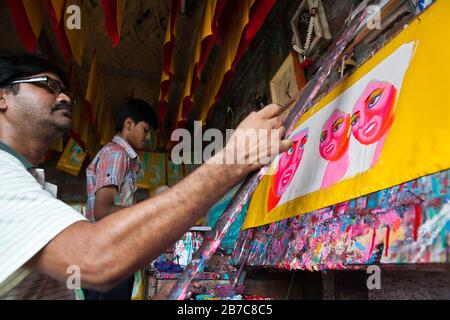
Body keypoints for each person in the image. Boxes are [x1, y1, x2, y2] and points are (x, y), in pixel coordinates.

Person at [0, 55, 292, 300]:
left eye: (65, 91)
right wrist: (231, 162)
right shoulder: (114, 154)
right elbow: (97, 242)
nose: (64, 97)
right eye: (49, 86)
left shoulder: (27, 176)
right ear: (3, 97)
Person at [83, 99, 158, 300]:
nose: (148, 137)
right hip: (109, 254)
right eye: (146, 130)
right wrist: (146, 210)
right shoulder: (117, 154)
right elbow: (102, 209)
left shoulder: (123, 157)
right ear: (129, 124)